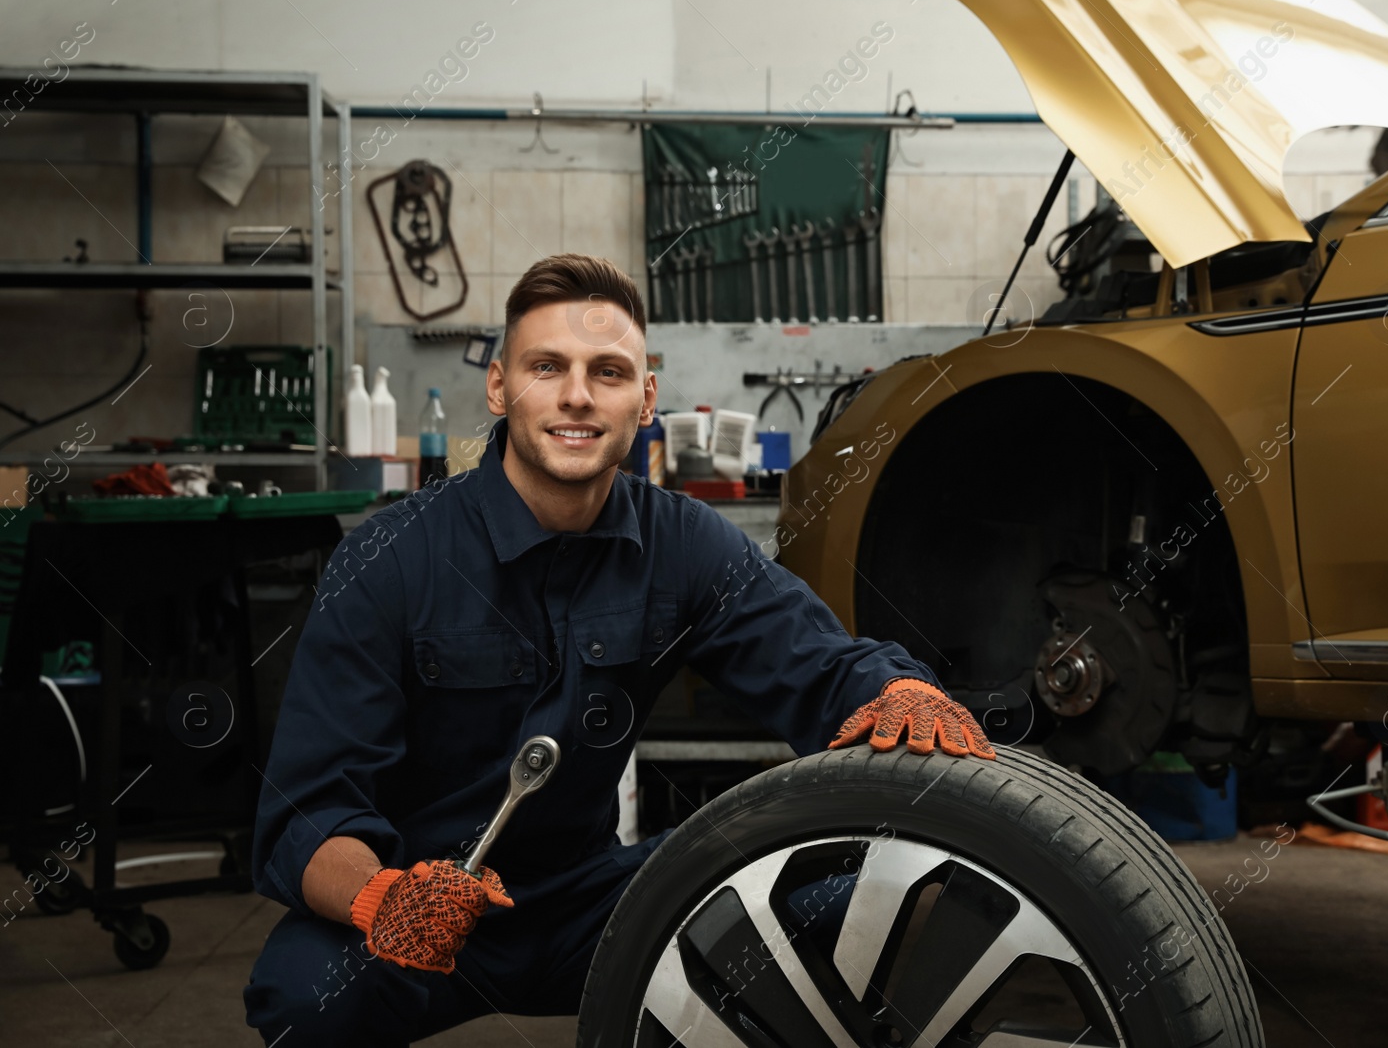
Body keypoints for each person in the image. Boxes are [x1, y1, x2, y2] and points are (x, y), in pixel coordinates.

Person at [242, 253, 992, 1044]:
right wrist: (383, 899)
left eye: (607, 371)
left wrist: (898, 692)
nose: (576, 395)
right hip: (423, 910)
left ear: (644, 398)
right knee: (302, 993)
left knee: (858, 877)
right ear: (499, 387)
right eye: (547, 367)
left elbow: (820, 665)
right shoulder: (389, 559)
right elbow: (308, 809)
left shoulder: (682, 541)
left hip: (595, 907)